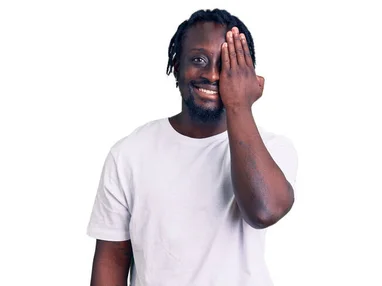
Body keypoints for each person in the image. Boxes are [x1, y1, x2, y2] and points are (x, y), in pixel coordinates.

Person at [86, 8, 298, 286]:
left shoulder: (272, 148)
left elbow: (264, 211)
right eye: (199, 59)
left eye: (227, 64)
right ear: (176, 65)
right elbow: (112, 257)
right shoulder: (130, 152)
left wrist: (238, 104)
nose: (212, 75)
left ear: (245, 76)